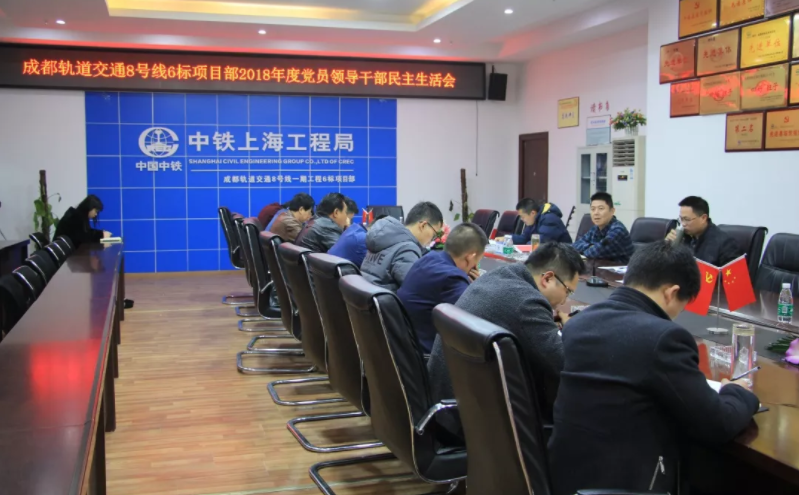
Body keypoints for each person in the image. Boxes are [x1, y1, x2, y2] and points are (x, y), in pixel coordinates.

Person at [548, 241, 760, 495]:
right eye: (681, 306)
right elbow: (717, 424)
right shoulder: (663, 338)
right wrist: (739, 392)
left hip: (564, 478)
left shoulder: (577, 323)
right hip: (630, 485)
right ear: (671, 293)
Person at [428, 242, 585, 437]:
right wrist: (570, 327)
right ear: (547, 278)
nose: (564, 301)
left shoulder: (499, 275)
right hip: (468, 422)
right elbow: (563, 364)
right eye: (568, 291)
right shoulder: (527, 302)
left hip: (444, 405)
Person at [398, 223, 488, 353]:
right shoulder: (453, 278)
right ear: (470, 257)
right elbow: (476, 322)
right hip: (425, 354)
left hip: (405, 345)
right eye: (477, 262)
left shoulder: (428, 258)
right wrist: (476, 288)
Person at [361, 201, 443, 292]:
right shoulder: (407, 249)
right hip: (386, 299)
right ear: (423, 226)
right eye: (434, 235)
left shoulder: (384, 237)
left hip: (367, 296)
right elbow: (417, 290)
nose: (433, 240)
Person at [666, 196, 742, 267]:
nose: (683, 224)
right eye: (681, 219)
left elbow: (733, 274)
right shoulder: (681, 236)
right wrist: (666, 245)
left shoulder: (725, 243)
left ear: (703, 218)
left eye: (687, 219)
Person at [572, 192, 634, 263]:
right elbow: (575, 245)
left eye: (601, 208)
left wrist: (590, 248)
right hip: (599, 267)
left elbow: (593, 253)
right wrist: (591, 246)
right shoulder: (595, 229)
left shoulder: (618, 230)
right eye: (593, 209)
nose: (596, 213)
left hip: (620, 269)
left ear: (612, 211)